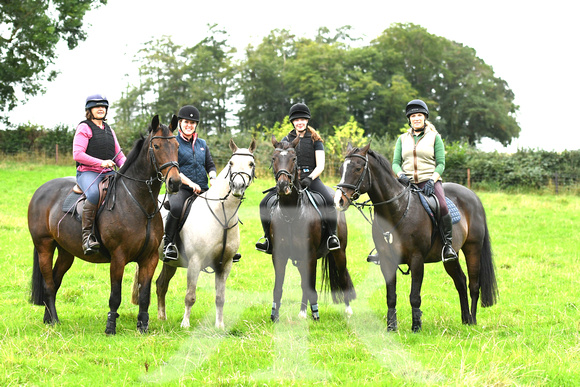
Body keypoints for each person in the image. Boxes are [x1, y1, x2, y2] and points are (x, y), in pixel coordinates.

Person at [256, 102, 340, 253]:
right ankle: (268, 238)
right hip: (290, 181)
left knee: (328, 202)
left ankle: (331, 237)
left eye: (302, 119)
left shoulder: (316, 140)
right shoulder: (285, 139)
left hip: (311, 179)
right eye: (296, 120)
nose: (300, 122)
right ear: (293, 122)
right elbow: (280, 161)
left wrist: (310, 178)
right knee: (264, 203)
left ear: (307, 121)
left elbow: (321, 166)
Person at [162, 105, 241, 263]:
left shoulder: (202, 144)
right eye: (186, 122)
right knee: (176, 207)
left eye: (192, 123)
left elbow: (210, 165)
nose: (189, 125)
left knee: (224, 206)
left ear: (196, 125)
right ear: (180, 123)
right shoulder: (174, 142)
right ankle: (168, 244)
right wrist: (190, 183)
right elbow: (174, 168)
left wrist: (212, 178)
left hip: (203, 188)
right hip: (181, 189)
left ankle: (227, 247)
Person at [391, 99, 458, 262]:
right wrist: (401, 175)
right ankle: (384, 247)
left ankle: (448, 245)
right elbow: (395, 163)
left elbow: (441, 163)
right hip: (406, 183)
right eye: (413, 116)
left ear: (425, 117)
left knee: (442, 206)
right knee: (388, 208)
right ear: (409, 119)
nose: (416, 118)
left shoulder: (435, 138)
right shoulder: (402, 139)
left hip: (429, 181)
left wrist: (432, 180)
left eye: (419, 115)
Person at [73, 94, 126, 255]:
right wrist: (101, 162)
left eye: (103, 106)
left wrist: (126, 168)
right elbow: (78, 154)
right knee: (95, 194)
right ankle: (87, 237)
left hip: (109, 173)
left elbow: (118, 155)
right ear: (89, 110)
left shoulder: (109, 130)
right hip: (87, 173)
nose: (101, 109)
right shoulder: (84, 128)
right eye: (97, 106)